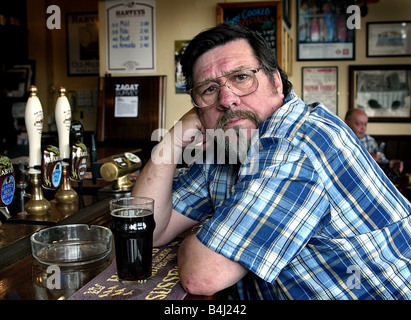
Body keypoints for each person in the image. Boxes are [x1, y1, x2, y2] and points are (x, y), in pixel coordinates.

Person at [132, 23, 411, 300]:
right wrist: (173, 139)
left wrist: (199, 238)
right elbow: (147, 231)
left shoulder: (296, 141)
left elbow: (201, 276)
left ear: (276, 82)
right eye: (208, 89)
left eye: (241, 77)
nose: (226, 99)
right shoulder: (228, 147)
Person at [344, 108, 404, 176]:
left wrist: (391, 163)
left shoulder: (370, 141)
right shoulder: (338, 139)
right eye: (359, 124)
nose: (363, 128)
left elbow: (382, 161)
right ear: (346, 123)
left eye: (365, 124)